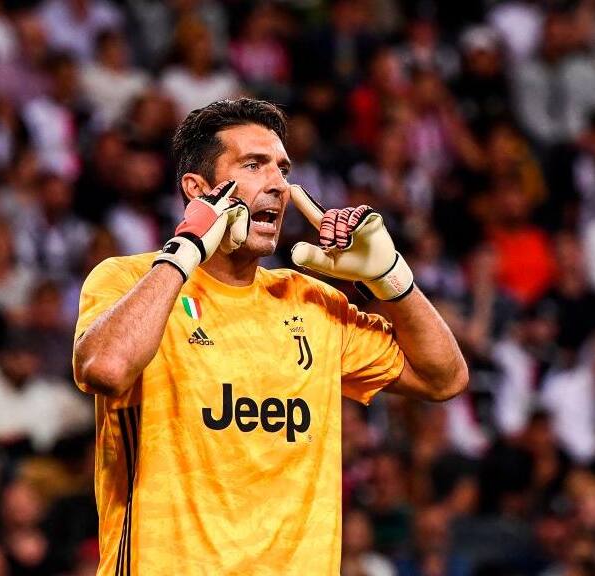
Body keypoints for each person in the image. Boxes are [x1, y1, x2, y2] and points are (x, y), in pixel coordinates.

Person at [72, 98, 467, 574]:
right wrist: (184, 252)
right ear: (198, 190)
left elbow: (444, 377)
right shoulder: (131, 281)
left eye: (283, 169)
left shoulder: (310, 302)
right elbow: (105, 368)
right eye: (254, 165)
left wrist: (391, 279)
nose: (278, 184)